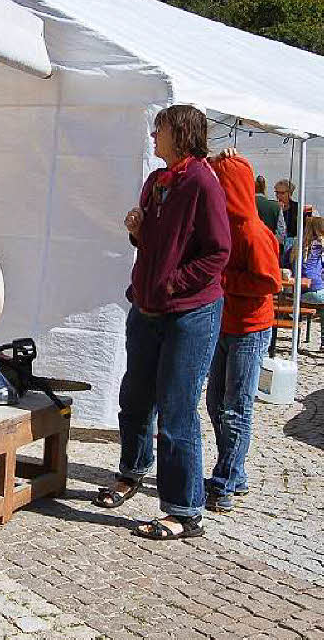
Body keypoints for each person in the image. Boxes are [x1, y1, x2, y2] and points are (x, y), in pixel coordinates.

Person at [94, 104, 230, 541]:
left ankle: (185, 511)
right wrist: (137, 229)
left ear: (182, 134)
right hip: (148, 309)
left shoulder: (203, 183)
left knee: (176, 410)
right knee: (134, 398)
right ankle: (132, 471)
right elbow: (155, 240)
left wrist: (173, 284)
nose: (154, 136)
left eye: (160, 130)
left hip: (189, 313)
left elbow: (217, 252)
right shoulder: (158, 181)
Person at [205, 149, 282, 512]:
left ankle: (225, 479)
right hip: (226, 323)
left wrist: (222, 279)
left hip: (250, 330)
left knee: (236, 408)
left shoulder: (252, 231)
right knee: (215, 402)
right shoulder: (224, 225)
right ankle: (234, 472)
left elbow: (269, 282)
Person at [254, 175, 285, 247]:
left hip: (250, 246)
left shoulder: (246, 204)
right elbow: (281, 233)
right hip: (270, 247)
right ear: (264, 188)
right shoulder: (276, 206)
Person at [275, 179, 299, 257]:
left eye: (282, 193)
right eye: (277, 193)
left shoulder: (297, 208)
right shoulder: (273, 207)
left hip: (293, 246)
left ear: (290, 193)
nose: (279, 196)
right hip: (277, 245)